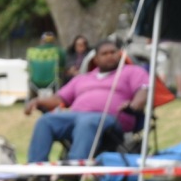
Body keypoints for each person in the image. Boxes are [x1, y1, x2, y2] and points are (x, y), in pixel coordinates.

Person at [24, 37, 149, 165]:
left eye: (113, 52)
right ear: (96, 59)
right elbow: (59, 99)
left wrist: (133, 105)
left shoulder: (132, 71)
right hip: (77, 116)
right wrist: (37, 101)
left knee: (87, 121)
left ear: (120, 54)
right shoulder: (83, 78)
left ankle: (73, 168)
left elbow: (143, 91)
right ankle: (36, 169)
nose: (110, 56)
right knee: (46, 120)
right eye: (104, 54)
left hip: (112, 119)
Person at [26, 32, 65, 97]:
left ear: (42, 41)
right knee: (62, 75)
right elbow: (63, 66)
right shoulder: (58, 51)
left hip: (35, 82)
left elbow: (28, 68)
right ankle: (58, 98)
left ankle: (32, 99)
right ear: (53, 41)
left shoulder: (33, 51)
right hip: (53, 81)